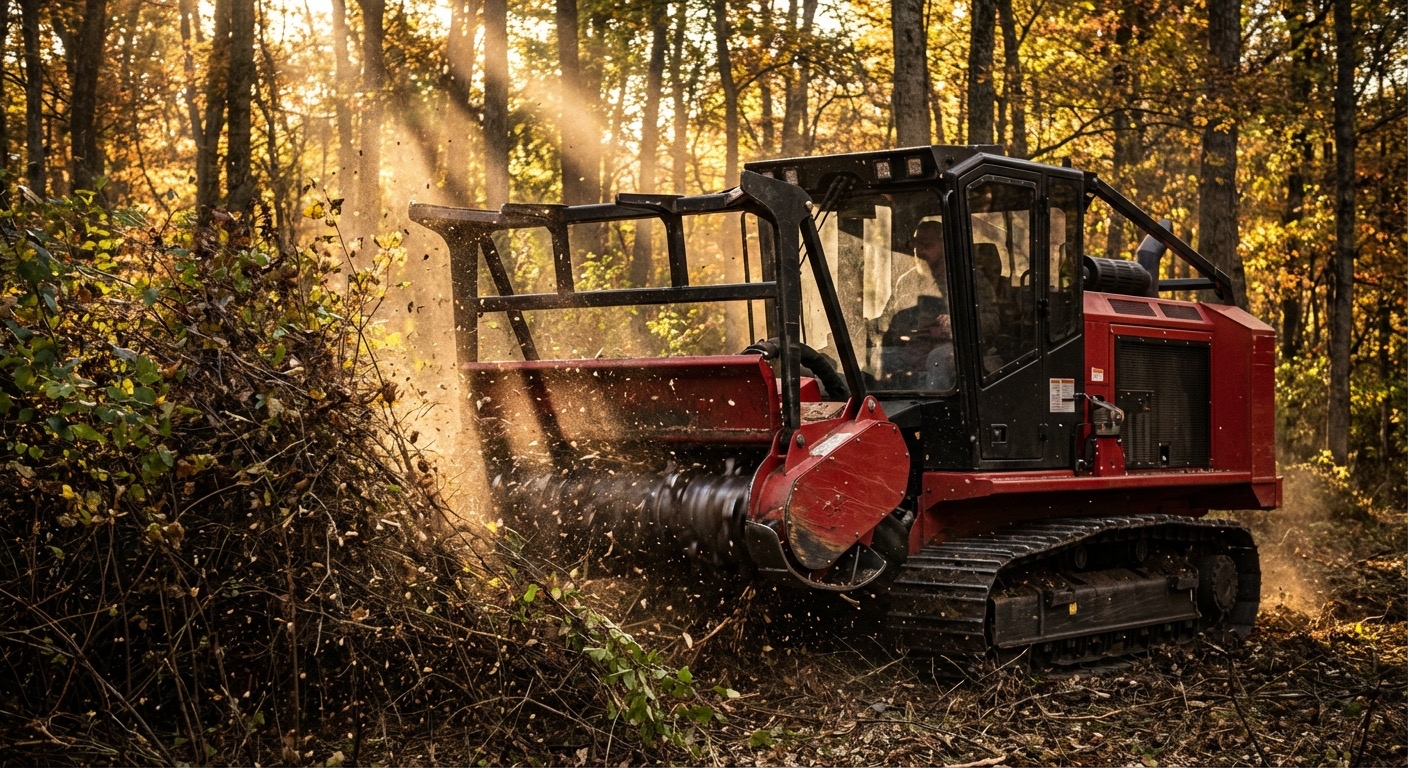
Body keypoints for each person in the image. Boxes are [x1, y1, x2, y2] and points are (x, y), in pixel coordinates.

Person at [880, 220, 956, 390]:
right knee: (883, 356)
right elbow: (891, 316)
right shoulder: (906, 281)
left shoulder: (964, 278)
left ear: (943, 246)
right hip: (912, 346)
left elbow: (992, 320)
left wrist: (953, 324)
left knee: (938, 359)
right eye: (915, 245)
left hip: (948, 347)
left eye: (926, 245)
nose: (919, 251)